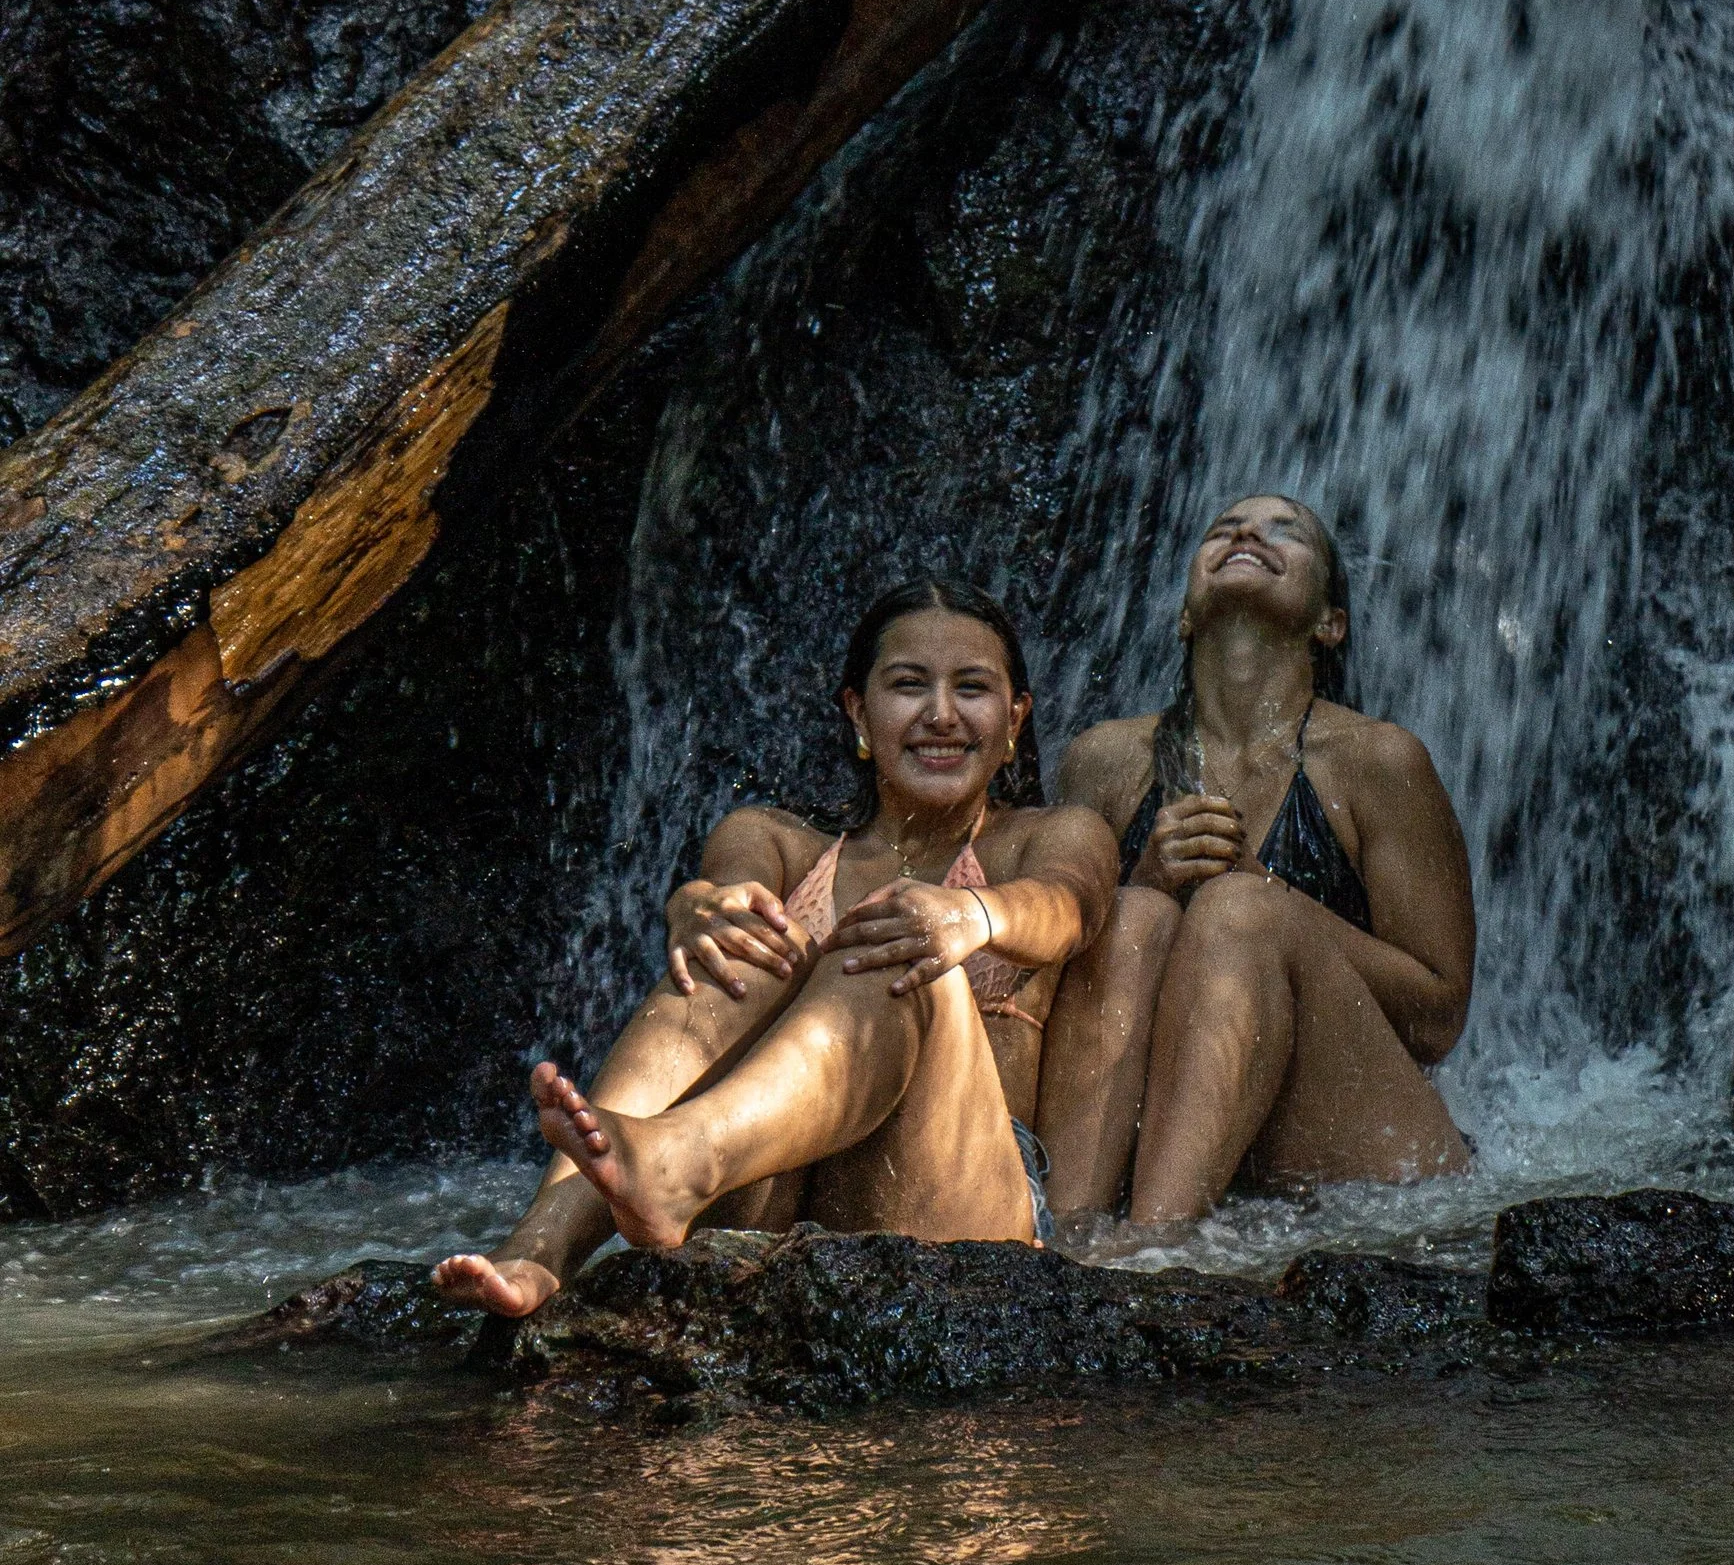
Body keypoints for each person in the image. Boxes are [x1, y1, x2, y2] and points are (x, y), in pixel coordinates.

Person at [431, 580, 1117, 1313]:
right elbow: (730, 893)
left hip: (951, 1198)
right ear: (858, 711)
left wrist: (969, 917)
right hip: (769, 1201)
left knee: (896, 945)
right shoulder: (773, 838)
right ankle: (539, 1251)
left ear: (1016, 718)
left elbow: (1070, 904)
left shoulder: (1053, 835)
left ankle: (680, 1159)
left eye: (972, 688)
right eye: (909, 686)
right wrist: (699, 908)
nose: (941, 715)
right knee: (749, 944)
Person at [1042, 492, 1474, 1226]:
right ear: (1184, 615)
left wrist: (1268, 902)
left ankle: (1153, 1252)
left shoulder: (1378, 761)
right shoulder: (1104, 762)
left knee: (1238, 911)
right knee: (1135, 913)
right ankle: (1069, 1241)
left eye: (1287, 532)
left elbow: (1437, 1019)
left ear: (1329, 623)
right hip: (1164, 1141)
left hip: (1355, 1147)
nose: (1248, 534)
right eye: (1225, 529)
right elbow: (1051, 988)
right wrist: (1142, 882)